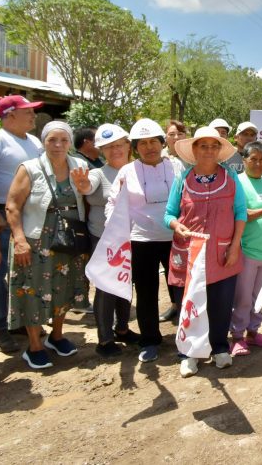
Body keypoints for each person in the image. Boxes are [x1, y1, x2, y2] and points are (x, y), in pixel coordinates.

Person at [5, 121, 92, 370]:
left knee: (64, 286)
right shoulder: (30, 168)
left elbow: (87, 199)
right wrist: (19, 239)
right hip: (36, 239)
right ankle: (34, 345)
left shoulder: (79, 165)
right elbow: (12, 205)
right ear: (43, 142)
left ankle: (57, 335)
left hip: (69, 237)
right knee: (33, 289)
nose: (58, 145)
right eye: (52, 140)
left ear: (70, 143)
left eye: (64, 140)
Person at [164, 126, 246, 377]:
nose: (208, 151)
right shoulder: (183, 180)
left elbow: (240, 213)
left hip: (222, 253)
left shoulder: (231, 178)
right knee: (189, 303)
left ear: (219, 150)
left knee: (221, 303)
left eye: (214, 146)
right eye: (203, 145)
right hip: (189, 254)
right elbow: (168, 214)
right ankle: (190, 352)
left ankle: (220, 346)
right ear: (194, 149)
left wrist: (234, 247)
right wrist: (177, 225)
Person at [107, 119, 177, 363]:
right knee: (146, 292)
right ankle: (150, 340)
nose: (150, 147)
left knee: (180, 290)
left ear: (162, 143)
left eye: (154, 142)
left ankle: (187, 338)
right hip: (141, 240)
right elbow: (113, 205)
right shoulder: (127, 172)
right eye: (143, 143)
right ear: (136, 148)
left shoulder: (176, 166)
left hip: (175, 238)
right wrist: (115, 233)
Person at [0, 94, 44, 354]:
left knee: (25, 272)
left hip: (27, 215)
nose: (32, 115)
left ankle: (17, 320)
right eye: (26, 111)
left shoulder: (34, 141)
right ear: (9, 115)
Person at [81, 124, 139, 358]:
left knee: (126, 281)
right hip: (104, 240)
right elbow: (87, 187)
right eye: (108, 147)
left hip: (132, 237)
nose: (115, 150)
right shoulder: (97, 174)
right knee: (105, 287)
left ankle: (122, 329)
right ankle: (104, 339)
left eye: (118, 145)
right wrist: (82, 185)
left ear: (128, 146)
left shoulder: (137, 170)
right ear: (102, 151)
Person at [229, 141, 262, 357]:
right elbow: (239, 213)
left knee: (260, 296)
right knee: (243, 297)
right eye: (253, 159)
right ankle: (237, 336)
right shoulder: (237, 183)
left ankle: (253, 332)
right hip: (247, 251)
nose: (258, 163)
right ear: (244, 161)